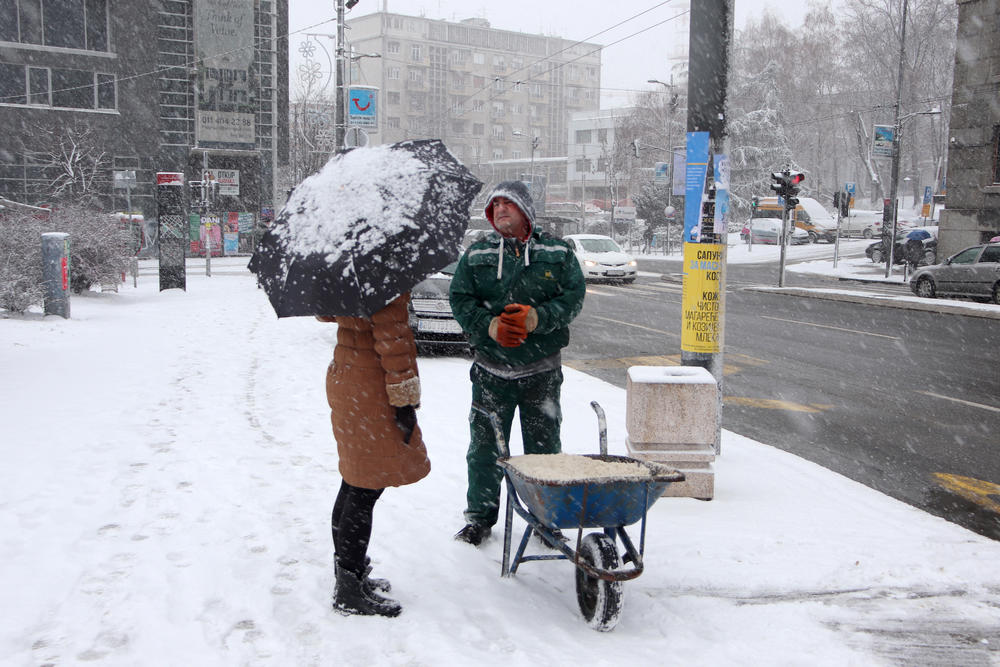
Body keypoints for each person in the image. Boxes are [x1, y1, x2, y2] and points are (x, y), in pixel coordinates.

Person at [449, 180, 586, 546]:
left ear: (525, 211)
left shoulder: (557, 252)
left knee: (544, 452)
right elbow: (460, 299)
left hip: (541, 372)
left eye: (507, 204)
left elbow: (574, 299)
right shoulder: (477, 254)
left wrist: (537, 319)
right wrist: (488, 325)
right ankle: (479, 517)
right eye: (494, 205)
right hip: (490, 372)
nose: (499, 210)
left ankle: (546, 519)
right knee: (484, 450)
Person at [320, 293, 429, 617]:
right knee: (365, 488)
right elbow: (393, 341)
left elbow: (329, 313)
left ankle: (348, 573)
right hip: (372, 387)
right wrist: (405, 401)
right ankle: (349, 588)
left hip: (348, 379)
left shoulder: (349, 275)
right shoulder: (384, 281)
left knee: (354, 480)